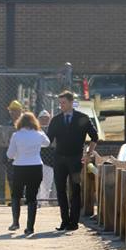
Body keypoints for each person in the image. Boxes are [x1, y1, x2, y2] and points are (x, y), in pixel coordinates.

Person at [45, 91, 98, 231]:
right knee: (61, 190)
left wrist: (88, 154)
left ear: (70, 102)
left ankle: (74, 222)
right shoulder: (56, 120)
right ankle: (64, 221)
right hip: (59, 158)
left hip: (75, 158)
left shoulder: (83, 118)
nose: (61, 106)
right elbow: (48, 140)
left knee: (75, 189)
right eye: (60, 103)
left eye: (63, 103)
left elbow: (95, 137)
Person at [5, 111, 50, 235]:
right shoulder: (39, 134)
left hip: (19, 167)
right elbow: (47, 143)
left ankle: (15, 222)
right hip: (36, 166)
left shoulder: (16, 135)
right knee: (32, 197)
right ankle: (30, 227)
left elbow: (9, 154)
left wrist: (16, 155)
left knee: (16, 195)